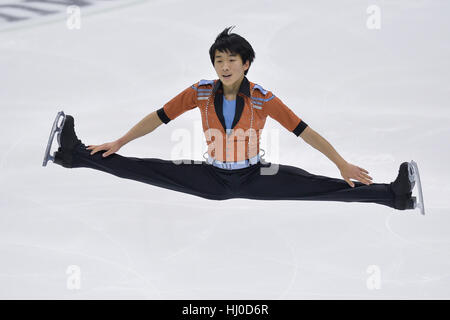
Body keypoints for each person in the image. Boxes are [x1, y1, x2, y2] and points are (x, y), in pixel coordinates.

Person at [43, 26, 418, 211]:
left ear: (246, 63)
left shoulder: (262, 98)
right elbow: (159, 117)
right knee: (140, 166)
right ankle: (73, 155)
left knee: (323, 185)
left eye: (231, 60)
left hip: (255, 176)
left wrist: (341, 163)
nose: (224, 66)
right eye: (218, 60)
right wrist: (120, 141)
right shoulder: (200, 91)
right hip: (211, 176)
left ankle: (394, 195)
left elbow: (304, 132)